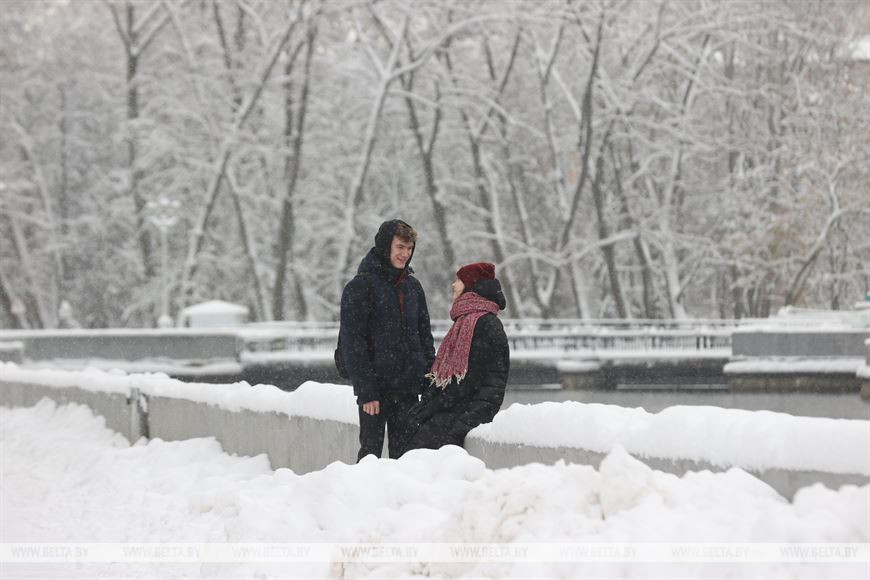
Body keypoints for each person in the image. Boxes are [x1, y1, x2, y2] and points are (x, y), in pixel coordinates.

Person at [339, 219, 436, 461]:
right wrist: (366, 391)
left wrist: (428, 379)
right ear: (385, 246)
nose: (405, 254)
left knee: (405, 458)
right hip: (376, 390)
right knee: (370, 456)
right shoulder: (360, 287)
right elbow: (353, 344)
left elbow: (424, 337)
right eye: (400, 247)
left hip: (408, 389)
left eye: (409, 248)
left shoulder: (413, 287)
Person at [400, 262, 510, 455]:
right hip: (459, 407)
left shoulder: (485, 324)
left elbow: (469, 382)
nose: (453, 284)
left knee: (419, 448)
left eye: (459, 280)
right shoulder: (466, 321)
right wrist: (427, 404)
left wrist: (431, 407)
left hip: (471, 411)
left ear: (471, 285)